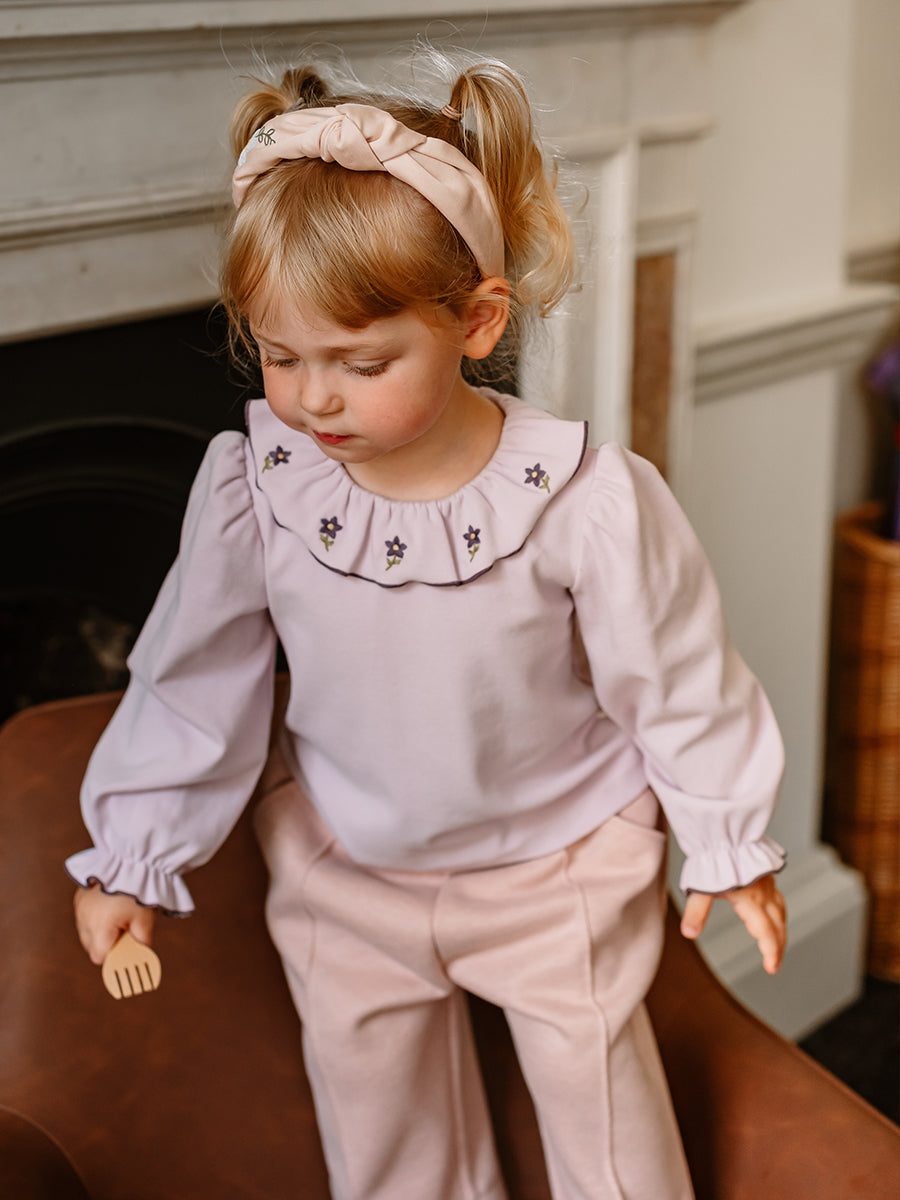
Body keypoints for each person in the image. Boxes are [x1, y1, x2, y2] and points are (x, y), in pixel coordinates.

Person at [68, 49, 787, 1200]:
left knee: (606, 1126)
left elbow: (678, 674)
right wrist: (134, 857)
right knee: (386, 1141)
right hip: (347, 869)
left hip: (556, 863)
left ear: (476, 322)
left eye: (362, 362)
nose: (313, 397)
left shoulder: (582, 500)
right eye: (281, 355)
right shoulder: (259, 490)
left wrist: (729, 839)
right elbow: (191, 682)